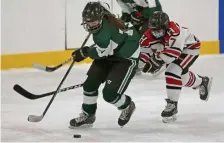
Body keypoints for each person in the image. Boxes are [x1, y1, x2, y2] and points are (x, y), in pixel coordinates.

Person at [69, 1, 140, 128]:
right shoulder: (104, 14)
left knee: (109, 95)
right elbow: (103, 3)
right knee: (90, 84)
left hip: (126, 58)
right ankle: (88, 115)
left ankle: (127, 105)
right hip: (112, 51)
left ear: (101, 18)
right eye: (88, 21)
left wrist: (85, 52)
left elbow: (101, 52)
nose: (91, 25)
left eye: (94, 21)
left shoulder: (104, 34)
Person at [139, 11, 213, 123]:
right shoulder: (147, 36)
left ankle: (172, 105)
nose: (155, 33)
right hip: (171, 52)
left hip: (189, 49)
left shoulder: (175, 31)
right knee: (180, 79)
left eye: (158, 30)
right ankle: (202, 82)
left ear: (166, 26)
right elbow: (144, 52)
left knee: (172, 71)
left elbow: (174, 54)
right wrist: (139, 64)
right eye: (153, 30)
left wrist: (156, 60)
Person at [116, 0, 164, 76]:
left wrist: (141, 16)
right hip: (141, 17)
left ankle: (157, 62)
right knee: (129, 37)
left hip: (152, 16)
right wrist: (124, 19)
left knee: (145, 38)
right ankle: (135, 63)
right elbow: (127, 12)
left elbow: (154, 9)